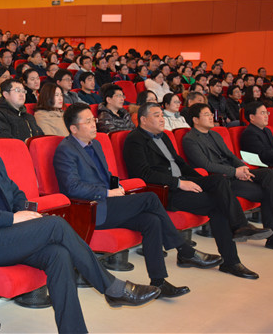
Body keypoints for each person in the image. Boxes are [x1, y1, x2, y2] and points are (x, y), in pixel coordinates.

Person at [0, 105, 160, 334]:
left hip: (10, 236)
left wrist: (27, 214)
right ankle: (111, 287)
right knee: (55, 224)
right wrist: (13, 218)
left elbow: (16, 194)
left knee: (58, 254)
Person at [54, 103, 222, 297]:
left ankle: (159, 282)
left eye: (94, 119)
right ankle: (184, 250)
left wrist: (116, 186)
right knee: (150, 198)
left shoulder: (96, 144)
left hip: (109, 203)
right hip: (90, 210)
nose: (94, 124)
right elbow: (72, 187)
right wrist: (107, 193)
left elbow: (104, 176)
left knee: (152, 221)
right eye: (88, 121)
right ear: (74, 129)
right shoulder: (66, 150)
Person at [124, 102, 273, 279]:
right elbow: (143, 173)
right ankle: (232, 259)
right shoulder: (135, 139)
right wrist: (179, 183)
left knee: (218, 180)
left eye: (162, 115)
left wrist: (201, 181)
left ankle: (240, 228)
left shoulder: (164, 137)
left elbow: (180, 163)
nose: (162, 119)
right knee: (218, 205)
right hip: (165, 191)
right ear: (143, 120)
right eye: (157, 116)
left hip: (183, 181)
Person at [183, 103, 273, 253]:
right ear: (195, 120)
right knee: (267, 191)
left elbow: (231, 156)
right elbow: (205, 165)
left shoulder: (215, 134)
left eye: (211, 114)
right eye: (206, 115)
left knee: (268, 174)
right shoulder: (190, 139)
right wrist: (235, 172)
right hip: (222, 180)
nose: (211, 117)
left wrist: (243, 169)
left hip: (235, 173)